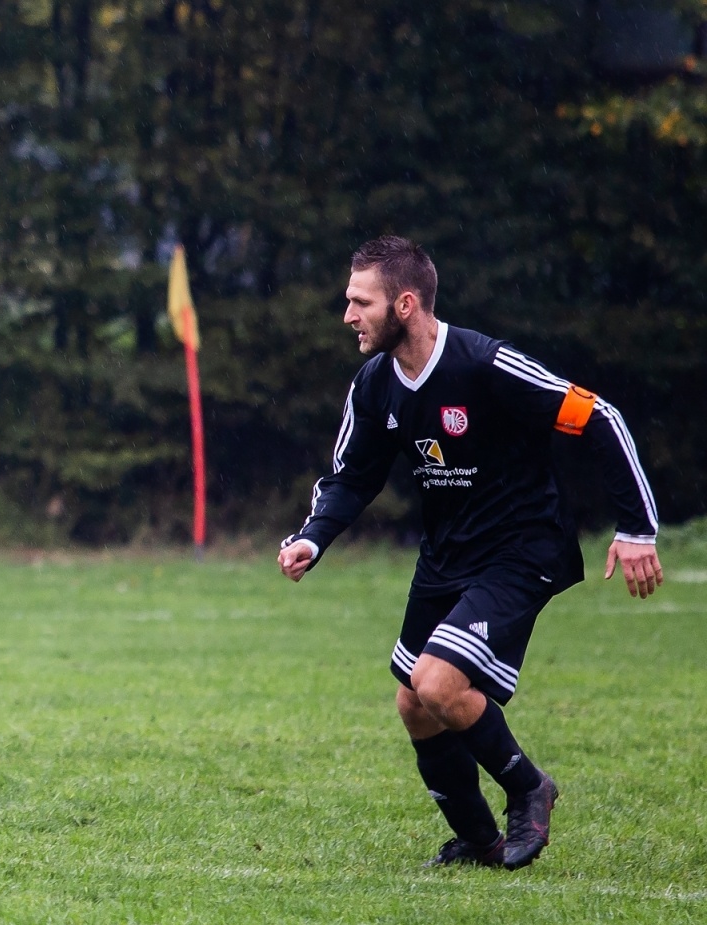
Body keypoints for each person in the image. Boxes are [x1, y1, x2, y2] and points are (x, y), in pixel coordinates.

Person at [278, 236, 662, 870]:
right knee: (413, 702)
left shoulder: (485, 365)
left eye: (359, 302)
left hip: (522, 546)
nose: (347, 315)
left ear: (404, 304)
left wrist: (637, 529)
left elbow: (600, 418)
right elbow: (352, 475)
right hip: (447, 555)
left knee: (439, 682)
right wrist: (313, 537)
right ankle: (480, 843)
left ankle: (529, 788)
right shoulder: (375, 385)